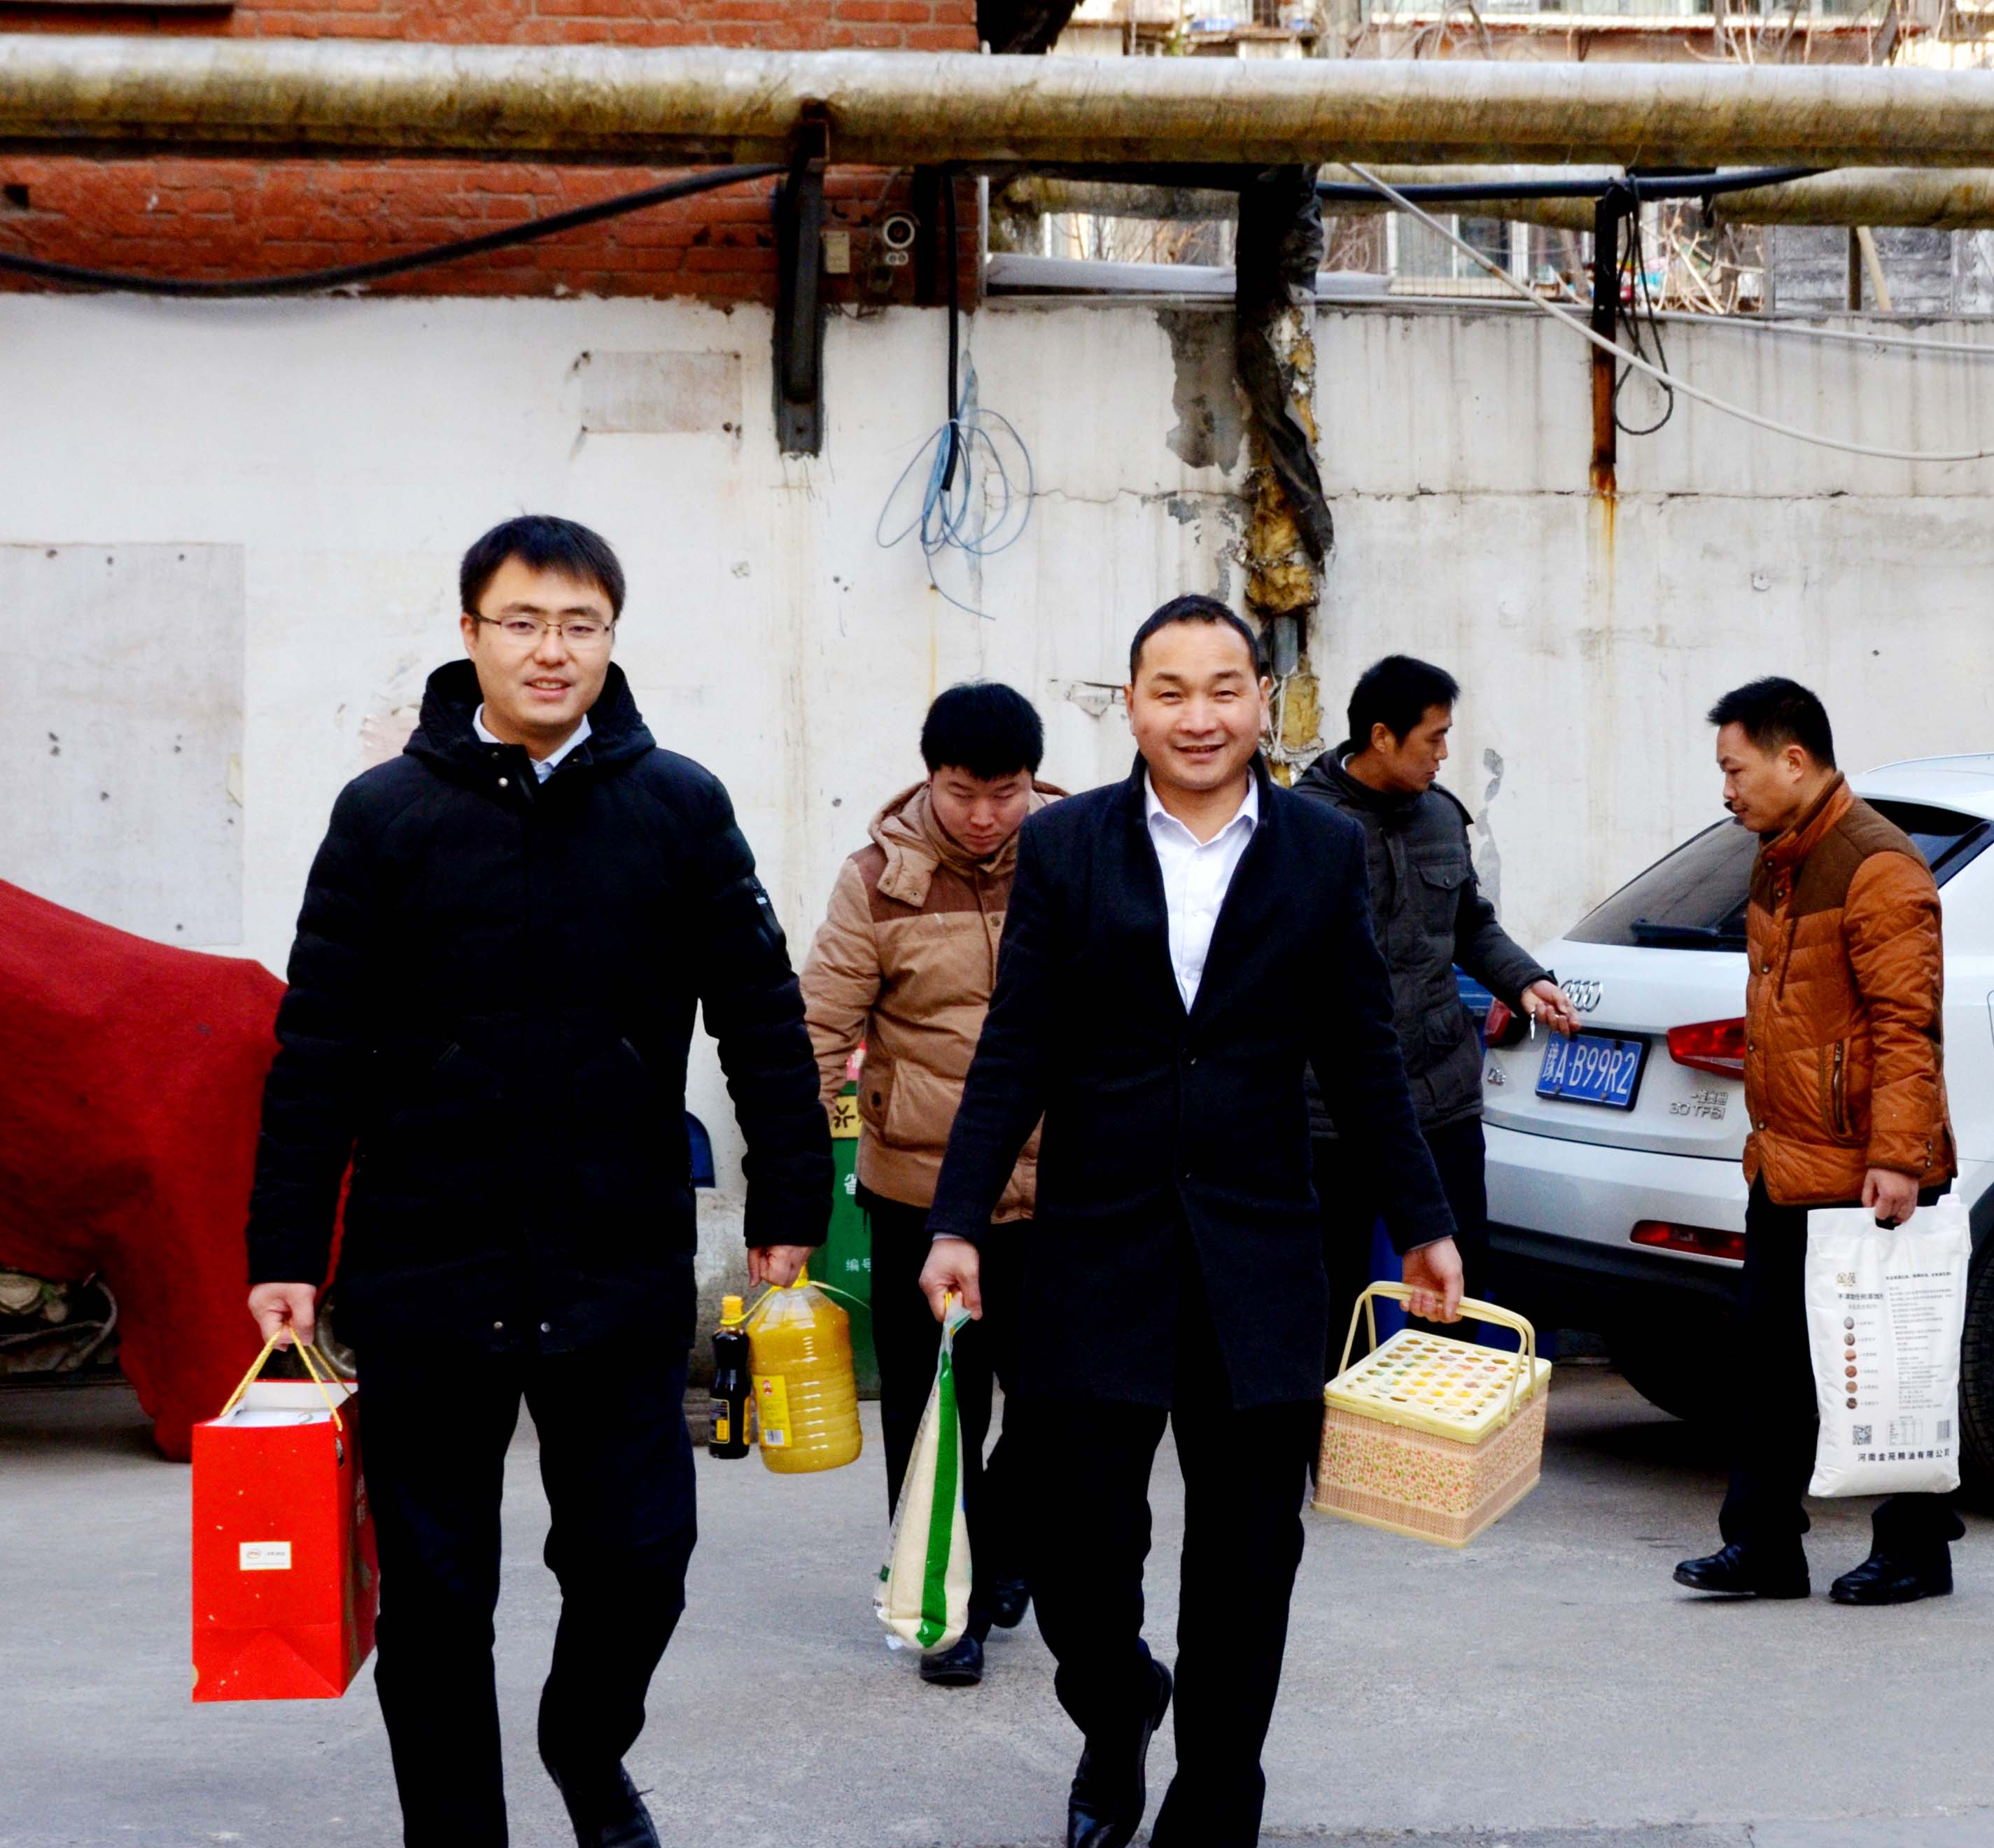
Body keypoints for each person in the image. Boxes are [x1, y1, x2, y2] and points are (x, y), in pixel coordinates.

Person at [241, 515, 831, 1848]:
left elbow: (759, 1016)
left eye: (578, 625)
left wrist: (789, 1203)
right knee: (437, 1594)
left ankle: (583, 1739)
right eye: (521, 622)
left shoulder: (676, 807)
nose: (549, 650)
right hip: (425, 1262)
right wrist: (283, 1247)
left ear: (611, 638)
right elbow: (317, 1046)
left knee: (639, 1557)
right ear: (470, 635)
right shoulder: (382, 818)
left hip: (611, 1254)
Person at [918, 596, 1466, 1848]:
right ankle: (1115, 1714)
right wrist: (957, 1219)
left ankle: (1218, 1794)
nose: (1199, 716)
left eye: (1224, 688)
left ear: (1263, 702)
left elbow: (1362, 1051)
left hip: (1258, 1253)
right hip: (1093, 1250)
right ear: (1130, 707)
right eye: (1169, 691)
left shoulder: (1319, 850)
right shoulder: (1067, 846)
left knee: (1246, 1555)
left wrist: (1421, 1217)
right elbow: (1016, 1047)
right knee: (1075, 1553)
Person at [1674, 676, 1962, 1607]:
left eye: (1735, 769)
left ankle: (1916, 1548)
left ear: (1792, 761)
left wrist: (1899, 1158)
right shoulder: (1779, 856)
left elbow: (1907, 1026)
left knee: (1885, 1359)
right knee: (1767, 1359)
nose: (1726, 789)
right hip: (1787, 1156)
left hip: (1867, 1162)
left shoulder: (1878, 866)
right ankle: (1764, 1546)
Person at [799, 681, 1061, 1688]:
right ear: (929, 779)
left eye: (1005, 792)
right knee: (931, 1415)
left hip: (1061, 1192)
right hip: (920, 1189)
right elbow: (821, 1027)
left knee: (1060, 1402)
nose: (985, 816)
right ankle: (942, 1606)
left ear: (1032, 781)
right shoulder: (877, 881)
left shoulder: (1079, 853)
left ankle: (1003, 1542)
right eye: (962, 793)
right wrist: (791, 1177)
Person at [1293, 654, 1581, 1362]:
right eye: (1435, 737)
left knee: (1451, 1291)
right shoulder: (1301, 828)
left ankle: (1431, 1434)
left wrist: (1524, 982)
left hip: (1439, 1095)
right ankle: (1329, 1431)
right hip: (1329, 1109)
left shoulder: (1440, 817)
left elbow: (1469, 924)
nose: (1444, 753)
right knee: (1326, 1301)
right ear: (1381, 737)